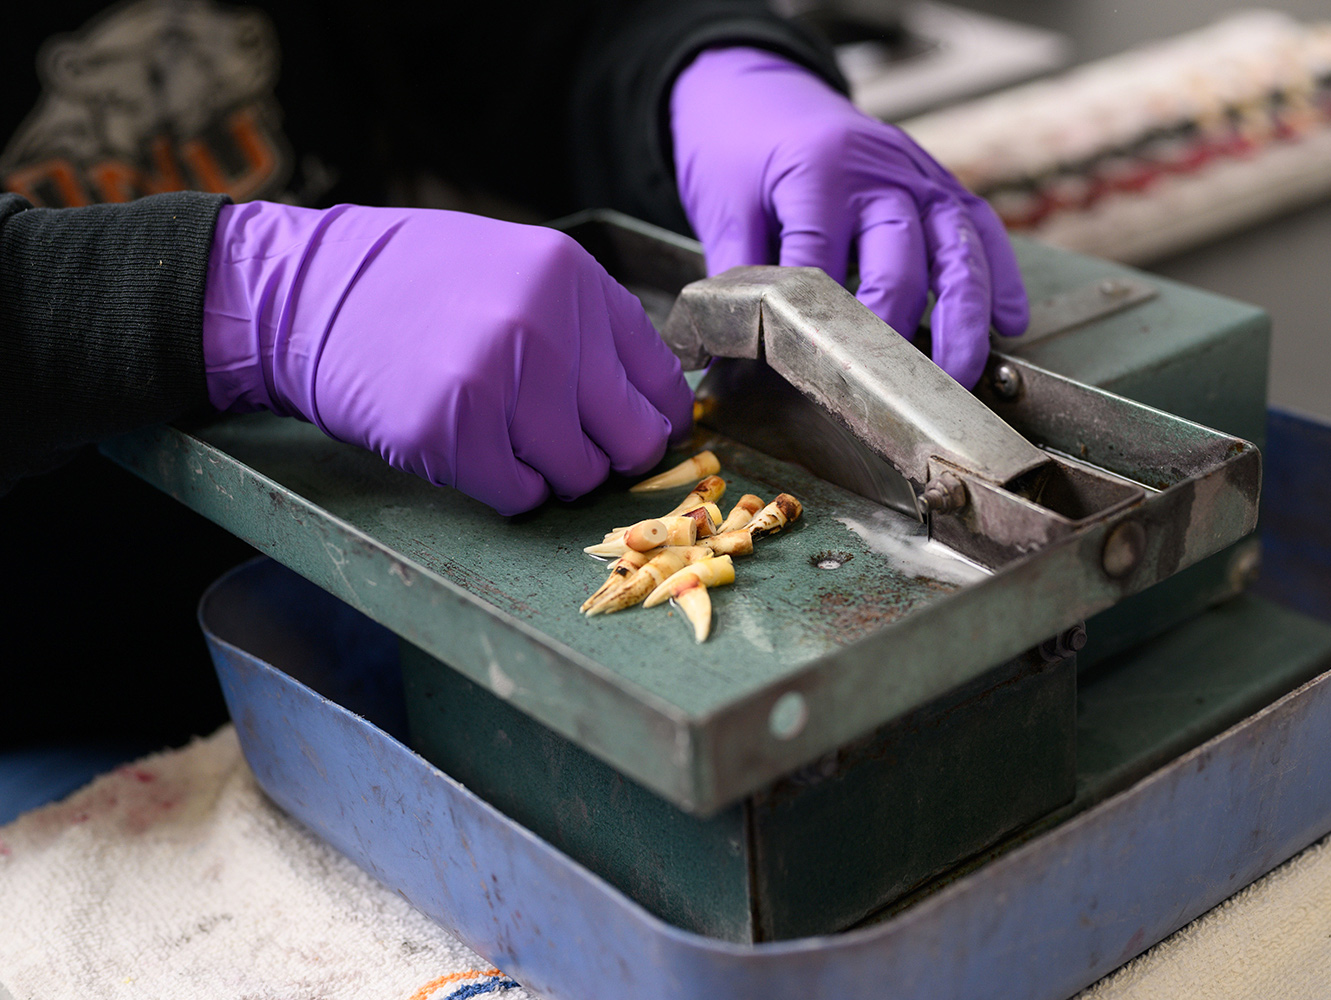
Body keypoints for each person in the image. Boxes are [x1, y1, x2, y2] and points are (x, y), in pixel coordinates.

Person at [0, 0, 1027, 809]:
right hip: (55, 699)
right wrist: (230, 291)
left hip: (418, 580)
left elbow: (530, 31)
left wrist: (700, 65)